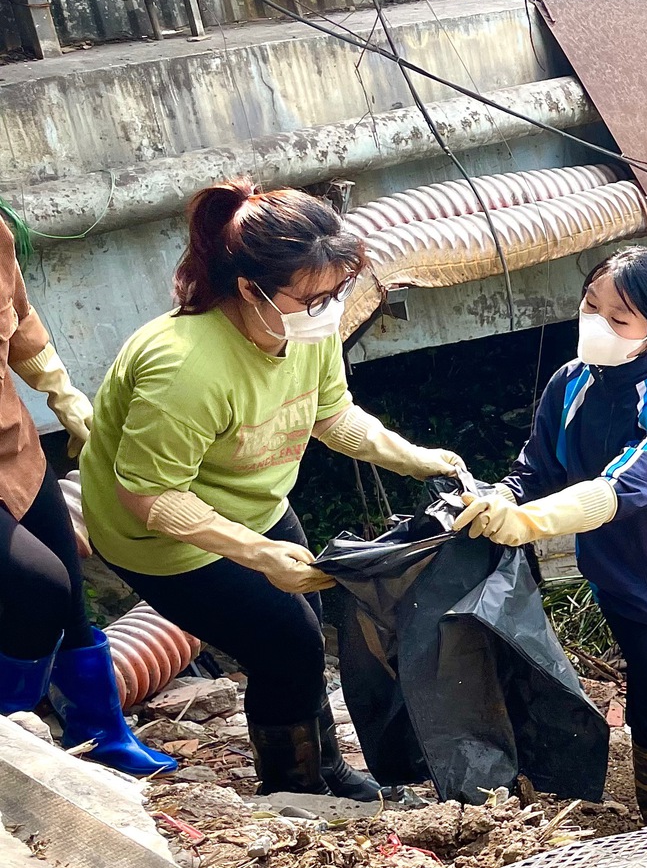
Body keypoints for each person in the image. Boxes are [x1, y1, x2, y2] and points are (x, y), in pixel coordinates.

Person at [82, 180, 466, 797]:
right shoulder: (185, 367)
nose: (330, 310)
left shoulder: (306, 331)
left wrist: (416, 459)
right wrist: (258, 555)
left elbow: (332, 415)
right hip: (159, 536)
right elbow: (149, 496)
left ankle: (329, 770)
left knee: (305, 633)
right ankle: (295, 790)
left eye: (338, 293)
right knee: (285, 645)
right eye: (313, 298)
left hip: (256, 500)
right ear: (248, 289)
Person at [453, 247, 647, 825]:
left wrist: (533, 521)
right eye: (590, 307)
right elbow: (537, 465)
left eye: (618, 320)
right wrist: (502, 497)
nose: (597, 325)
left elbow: (633, 478)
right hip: (620, 576)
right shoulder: (567, 385)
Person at [0, 210, 175, 776]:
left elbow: (19, 319)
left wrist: (64, 396)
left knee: (71, 594)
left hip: (13, 451)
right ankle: (15, 753)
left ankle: (103, 737)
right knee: (38, 589)